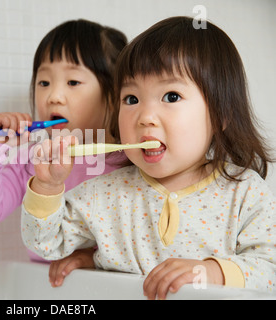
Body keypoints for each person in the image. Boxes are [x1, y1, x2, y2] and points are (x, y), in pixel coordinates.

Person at [21, 16, 276, 299]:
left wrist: (212, 272)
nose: (145, 117)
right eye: (131, 99)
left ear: (221, 114)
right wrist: (47, 187)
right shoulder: (104, 193)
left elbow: (270, 271)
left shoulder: (245, 193)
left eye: (171, 96)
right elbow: (44, 243)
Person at [0, 19, 128, 262]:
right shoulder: (33, 160)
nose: (53, 96)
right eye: (44, 83)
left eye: (73, 82)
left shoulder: (130, 161)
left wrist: (90, 259)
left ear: (115, 94)